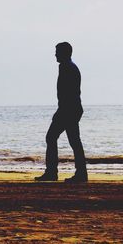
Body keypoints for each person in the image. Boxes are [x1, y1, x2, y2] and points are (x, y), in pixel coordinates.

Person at [36, 42, 88, 183]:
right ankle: (80, 173)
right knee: (73, 141)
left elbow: (68, 93)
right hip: (71, 109)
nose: (55, 54)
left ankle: (53, 172)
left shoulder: (67, 67)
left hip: (68, 109)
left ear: (64, 53)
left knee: (52, 137)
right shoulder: (68, 66)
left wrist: (60, 111)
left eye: (57, 51)